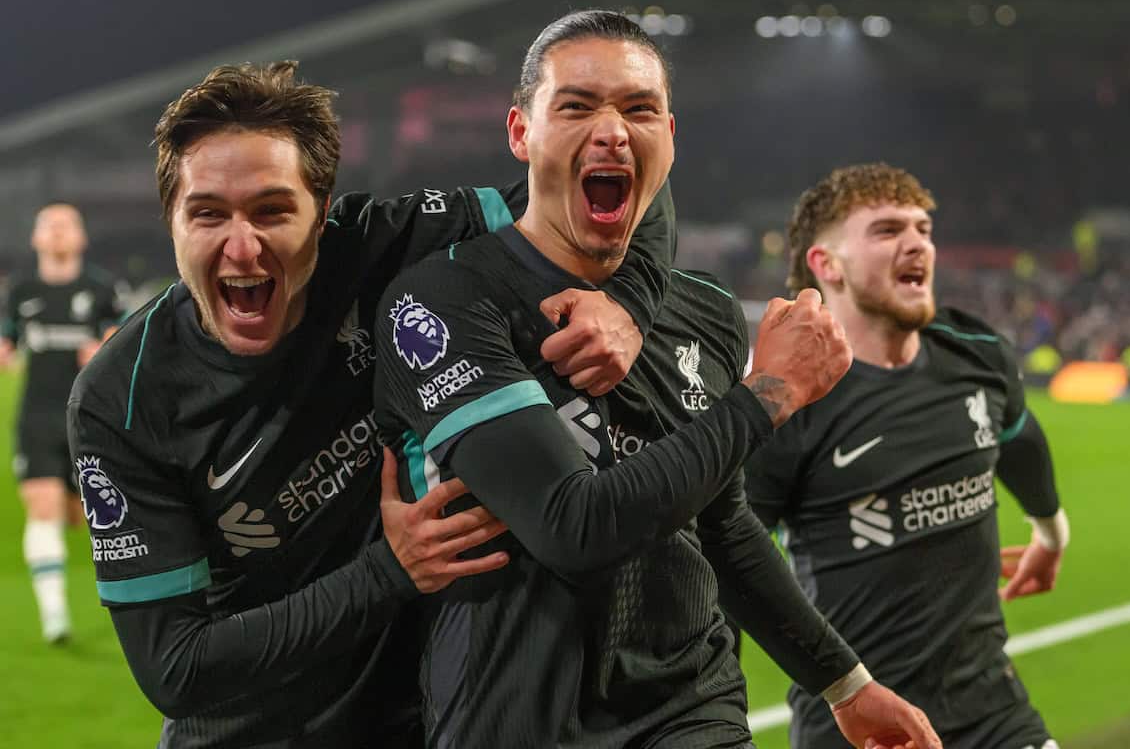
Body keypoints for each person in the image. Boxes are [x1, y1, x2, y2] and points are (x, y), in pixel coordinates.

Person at [66, 61, 678, 748]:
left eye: (273, 210)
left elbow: (619, 197)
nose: (242, 247)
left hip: (422, 718)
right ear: (171, 221)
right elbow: (176, 669)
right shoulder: (123, 397)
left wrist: (627, 305)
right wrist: (389, 571)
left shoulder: (375, 247)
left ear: (324, 214)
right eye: (207, 213)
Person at [373, 11, 939, 749]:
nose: (612, 130)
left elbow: (722, 523)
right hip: (514, 720)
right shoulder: (442, 303)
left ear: (669, 138)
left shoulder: (701, 310)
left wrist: (844, 681)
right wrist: (769, 393)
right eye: (576, 106)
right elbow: (571, 527)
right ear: (521, 133)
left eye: (639, 110)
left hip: (691, 713)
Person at [745, 162, 1067, 749]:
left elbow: (1021, 439)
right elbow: (726, 555)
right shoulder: (785, 403)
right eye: (888, 230)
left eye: (923, 228)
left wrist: (1051, 534)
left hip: (995, 713)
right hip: (863, 730)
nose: (918, 242)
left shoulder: (974, 352)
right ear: (826, 265)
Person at [1, 202, 121, 644]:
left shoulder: (102, 290)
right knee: (43, 507)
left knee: (79, 517)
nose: (56, 231)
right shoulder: (21, 290)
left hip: (88, 422)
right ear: (34, 238)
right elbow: (8, 340)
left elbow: (128, 341)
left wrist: (107, 349)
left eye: (65, 224)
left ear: (80, 237)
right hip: (35, 416)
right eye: (47, 225)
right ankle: (55, 618)